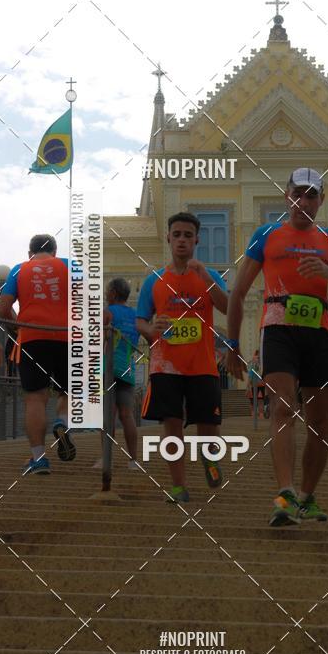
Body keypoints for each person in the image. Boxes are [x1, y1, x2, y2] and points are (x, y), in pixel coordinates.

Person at [225, 167, 328, 526]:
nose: (304, 201)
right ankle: (284, 494)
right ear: (286, 196)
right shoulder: (266, 234)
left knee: (320, 423)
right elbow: (238, 292)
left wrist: (327, 271)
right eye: (298, 193)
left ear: (321, 201)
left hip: (318, 331)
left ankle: (306, 496)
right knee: (282, 408)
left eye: (312, 195)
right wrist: (233, 344)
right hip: (277, 328)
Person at [136, 212, 228, 503]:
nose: (182, 240)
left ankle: (209, 458)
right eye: (177, 234)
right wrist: (152, 329)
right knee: (172, 425)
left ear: (197, 240)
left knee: (208, 425)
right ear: (168, 238)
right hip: (166, 365)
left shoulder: (209, 275)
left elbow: (227, 308)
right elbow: (140, 320)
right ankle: (178, 486)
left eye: (188, 235)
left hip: (202, 364)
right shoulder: (154, 280)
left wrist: (206, 279)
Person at [0, 234, 75, 474]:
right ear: (54, 251)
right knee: (70, 391)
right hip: (68, 335)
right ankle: (63, 421)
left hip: (32, 338)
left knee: (35, 398)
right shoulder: (71, 266)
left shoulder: (20, 269)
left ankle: (39, 458)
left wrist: (19, 324)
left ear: (30, 253)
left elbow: (1, 308)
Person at [95, 278, 140, 470]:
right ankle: (133, 461)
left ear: (113, 293)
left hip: (109, 367)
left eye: (107, 291)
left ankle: (107, 459)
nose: (105, 294)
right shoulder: (136, 315)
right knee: (127, 415)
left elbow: (98, 339)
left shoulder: (108, 313)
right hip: (128, 368)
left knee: (108, 415)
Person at [246, 349, 266, 419]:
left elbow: (250, 374)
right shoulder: (255, 363)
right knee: (254, 401)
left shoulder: (261, 363)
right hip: (256, 384)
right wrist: (248, 385)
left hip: (260, 384)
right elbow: (250, 374)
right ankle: (255, 414)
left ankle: (259, 414)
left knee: (259, 400)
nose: (258, 357)